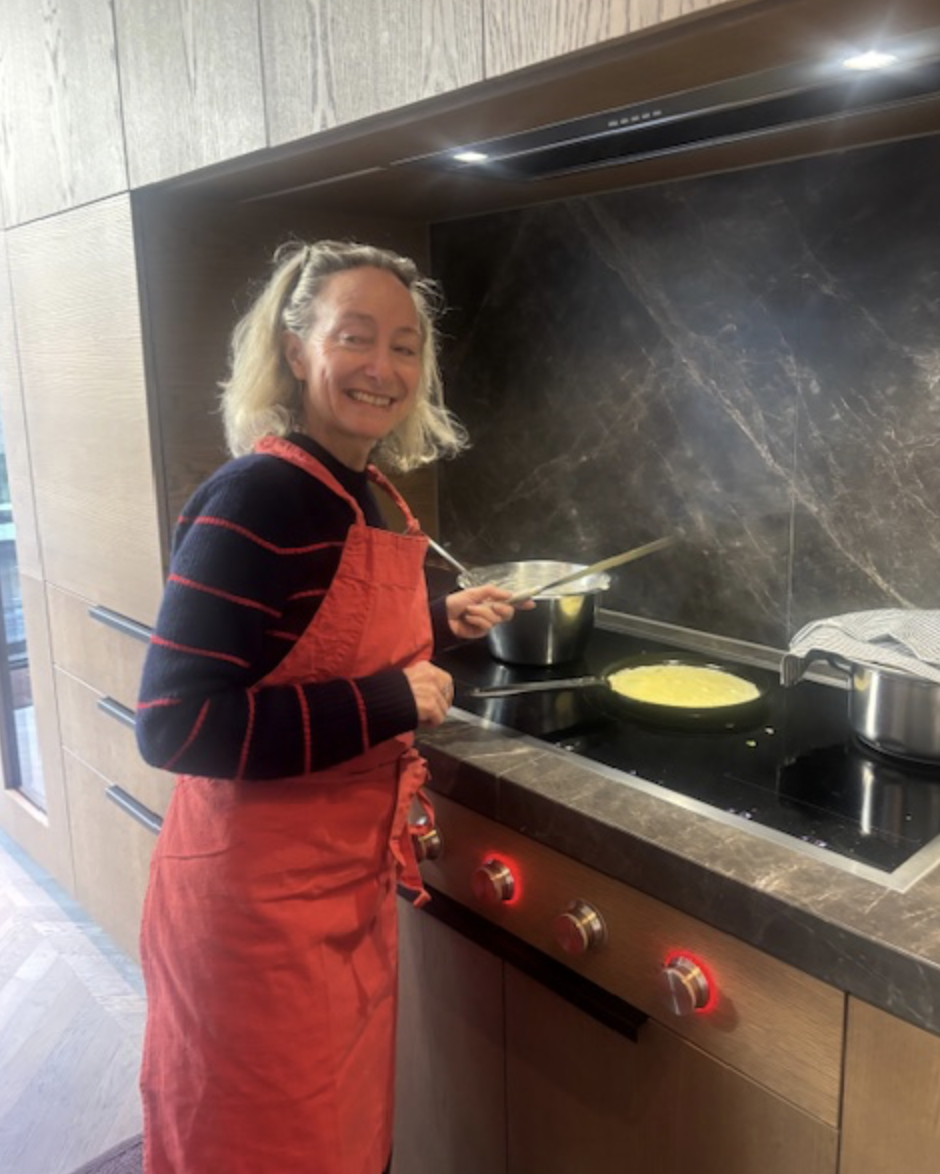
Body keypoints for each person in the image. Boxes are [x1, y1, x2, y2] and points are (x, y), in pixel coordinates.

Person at [135, 239, 523, 1174]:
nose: (382, 367)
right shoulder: (255, 497)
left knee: (344, 1142)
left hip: (341, 890)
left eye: (404, 346)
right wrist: (387, 699)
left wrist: (437, 619)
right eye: (355, 337)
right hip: (253, 912)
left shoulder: (360, 491)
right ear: (296, 347)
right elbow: (176, 723)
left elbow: (309, 637)